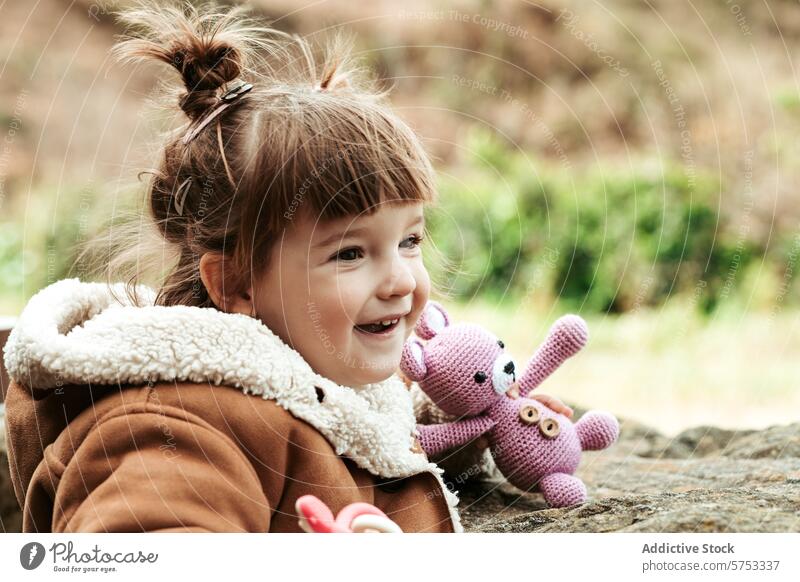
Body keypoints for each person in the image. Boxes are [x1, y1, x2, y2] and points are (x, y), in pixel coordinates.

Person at [2, 1, 572, 533]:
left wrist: (472, 427)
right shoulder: (177, 430)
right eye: (350, 253)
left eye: (410, 240)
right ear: (236, 284)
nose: (402, 279)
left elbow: (355, 436)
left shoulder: (314, 364)